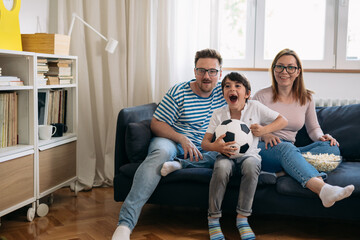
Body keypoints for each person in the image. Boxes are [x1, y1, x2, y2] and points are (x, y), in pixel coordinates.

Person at [112, 48, 227, 240]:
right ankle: (125, 224)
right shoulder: (178, 91)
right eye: (201, 70)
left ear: (220, 73)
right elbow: (156, 123)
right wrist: (181, 138)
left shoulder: (224, 92)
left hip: (205, 148)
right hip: (173, 140)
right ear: (194, 71)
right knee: (159, 155)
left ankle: (179, 165)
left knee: (225, 154)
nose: (207, 76)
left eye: (212, 71)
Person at [252, 48, 354, 208]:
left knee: (332, 150)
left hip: (289, 149)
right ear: (273, 69)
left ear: (298, 71)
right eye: (280, 66)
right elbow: (250, 127)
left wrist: (322, 137)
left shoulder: (306, 98)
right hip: (264, 148)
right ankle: (323, 189)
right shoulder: (261, 96)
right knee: (286, 148)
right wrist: (266, 134)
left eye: (290, 67)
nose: (284, 71)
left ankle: (283, 170)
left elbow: (313, 128)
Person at [201, 72, 288, 240]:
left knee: (251, 165)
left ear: (247, 94)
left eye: (237, 86)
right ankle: (213, 219)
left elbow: (282, 120)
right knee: (221, 167)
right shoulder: (218, 114)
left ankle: (242, 219)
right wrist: (215, 146)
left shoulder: (254, 107)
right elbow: (205, 143)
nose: (232, 89)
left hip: (249, 155)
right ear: (224, 93)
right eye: (227, 86)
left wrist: (264, 130)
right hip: (226, 156)